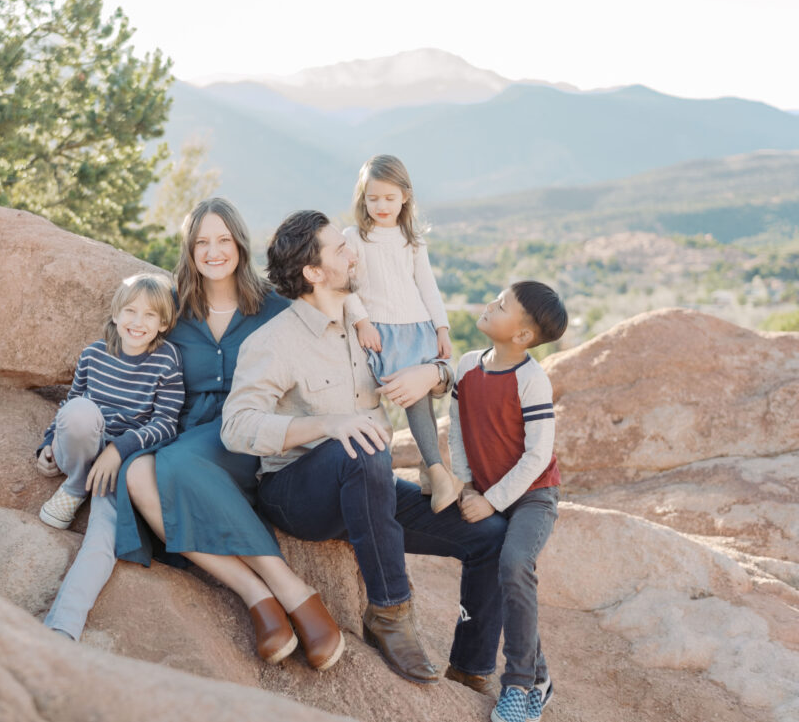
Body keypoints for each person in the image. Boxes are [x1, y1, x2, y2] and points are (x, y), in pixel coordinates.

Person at [44, 199, 346, 673]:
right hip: (181, 434)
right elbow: (122, 368)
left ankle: (291, 589)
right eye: (202, 241)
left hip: (248, 434)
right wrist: (61, 433)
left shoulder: (274, 307)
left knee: (174, 467)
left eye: (223, 238)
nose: (213, 250)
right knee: (139, 474)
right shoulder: (175, 308)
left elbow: (328, 334)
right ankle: (258, 594)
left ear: (239, 244)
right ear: (189, 249)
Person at [221, 210, 507, 687]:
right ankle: (390, 612)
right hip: (298, 494)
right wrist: (326, 425)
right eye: (340, 249)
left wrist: (434, 373)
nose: (353, 252)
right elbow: (237, 426)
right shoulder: (273, 342)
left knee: (492, 533)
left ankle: (472, 666)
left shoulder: (369, 326)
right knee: (363, 443)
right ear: (314, 273)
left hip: (371, 484)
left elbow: (439, 370)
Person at [448, 282, 567, 722]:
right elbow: (456, 430)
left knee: (515, 564)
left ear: (522, 336)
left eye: (501, 306)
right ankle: (540, 673)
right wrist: (465, 485)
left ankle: (520, 685)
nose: (489, 305)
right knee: (500, 565)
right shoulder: (466, 367)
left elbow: (537, 455)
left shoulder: (532, 379)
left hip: (533, 497)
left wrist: (493, 501)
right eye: (496, 300)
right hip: (486, 493)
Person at [344, 154, 458, 513]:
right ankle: (435, 474)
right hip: (381, 333)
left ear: (405, 196)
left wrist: (441, 328)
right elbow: (345, 286)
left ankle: (435, 474)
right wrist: (362, 322)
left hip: (418, 328)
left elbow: (428, 286)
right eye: (373, 198)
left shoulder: (412, 239)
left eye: (389, 198)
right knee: (401, 399)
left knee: (419, 399)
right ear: (362, 197)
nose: (381, 206)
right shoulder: (355, 238)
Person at [36, 273, 183, 530]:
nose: (138, 322)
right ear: (116, 315)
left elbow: (166, 423)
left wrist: (120, 448)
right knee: (79, 410)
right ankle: (77, 486)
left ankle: (87, 488)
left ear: (163, 323)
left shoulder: (167, 360)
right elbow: (72, 403)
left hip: (122, 456)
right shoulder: (93, 354)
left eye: (150, 315)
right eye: (130, 311)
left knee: (106, 531)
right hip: (82, 445)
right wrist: (48, 441)